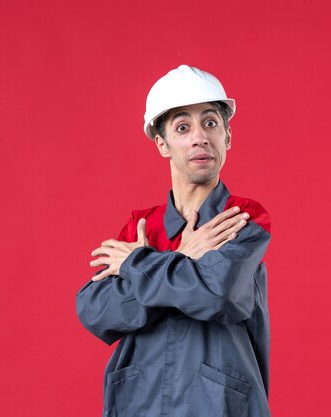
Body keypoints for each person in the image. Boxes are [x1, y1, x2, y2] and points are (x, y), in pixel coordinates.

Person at [76, 64, 272, 417]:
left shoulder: (240, 218)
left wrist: (138, 265)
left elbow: (218, 295)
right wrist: (183, 257)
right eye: (183, 127)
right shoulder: (141, 225)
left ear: (227, 137)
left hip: (217, 403)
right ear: (162, 144)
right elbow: (95, 310)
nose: (200, 137)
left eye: (210, 123)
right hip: (141, 399)